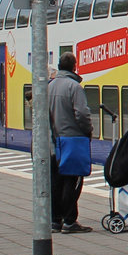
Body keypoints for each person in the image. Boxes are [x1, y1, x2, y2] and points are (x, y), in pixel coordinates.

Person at [47, 52, 93, 233]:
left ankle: (55, 220)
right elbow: (82, 113)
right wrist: (87, 131)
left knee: (56, 182)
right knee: (72, 181)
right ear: (74, 66)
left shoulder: (49, 86)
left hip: (54, 141)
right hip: (72, 140)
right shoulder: (74, 87)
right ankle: (69, 220)